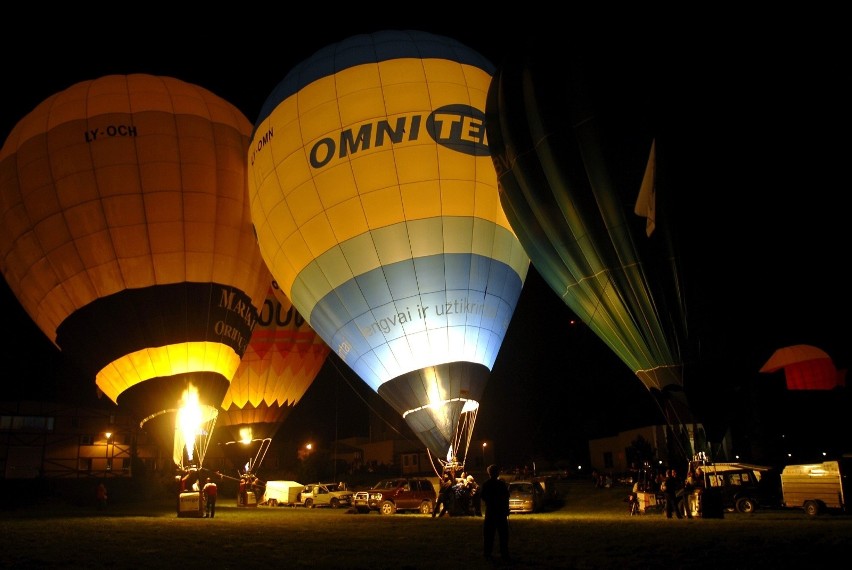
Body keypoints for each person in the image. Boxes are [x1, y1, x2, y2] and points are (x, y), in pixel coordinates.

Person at [480, 464, 510, 562]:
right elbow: (506, 496)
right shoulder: (501, 484)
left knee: (489, 534)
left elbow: (483, 496)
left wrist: (490, 501)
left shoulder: (486, 484)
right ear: (497, 473)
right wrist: (506, 509)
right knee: (503, 534)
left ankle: (487, 552)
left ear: (489, 473)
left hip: (491, 511)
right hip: (500, 511)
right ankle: (504, 552)